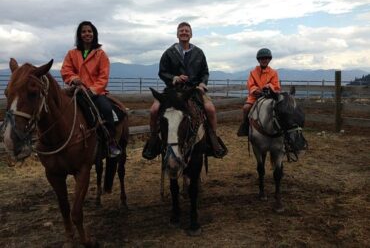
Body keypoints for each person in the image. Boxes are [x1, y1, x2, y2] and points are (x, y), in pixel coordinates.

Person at [142, 21, 227, 159]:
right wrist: (173, 78)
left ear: (191, 34)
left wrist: (202, 84)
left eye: (187, 30)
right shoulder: (169, 53)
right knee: (154, 110)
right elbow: (162, 72)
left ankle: (213, 139)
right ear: (177, 34)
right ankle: (153, 140)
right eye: (181, 30)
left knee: (210, 109)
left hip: (194, 90)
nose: (184, 32)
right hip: (172, 90)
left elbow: (205, 72)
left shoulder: (199, 53)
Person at [61, 20, 121, 157]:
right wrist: (72, 79)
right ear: (79, 35)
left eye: (89, 31)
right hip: (76, 90)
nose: (87, 34)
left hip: (95, 92)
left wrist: (93, 90)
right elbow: (66, 70)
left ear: (94, 34)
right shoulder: (72, 54)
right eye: (83, 31)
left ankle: (110, 142)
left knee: (106, 110)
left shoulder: (101, 54)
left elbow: (103, 76)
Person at [237, 48, 281, 136]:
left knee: (281, 107)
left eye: (266, 58)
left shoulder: (274, 73)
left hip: (269, 96)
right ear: (259, 60)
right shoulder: (253, 73)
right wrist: (256, 90)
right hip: (255, 96)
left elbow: (276, 85)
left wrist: (269, 87)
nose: (264, 60)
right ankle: (245, 125)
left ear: (269, 60)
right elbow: (250, 85)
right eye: (262, 59)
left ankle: (283, 127)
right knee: (246, 108)